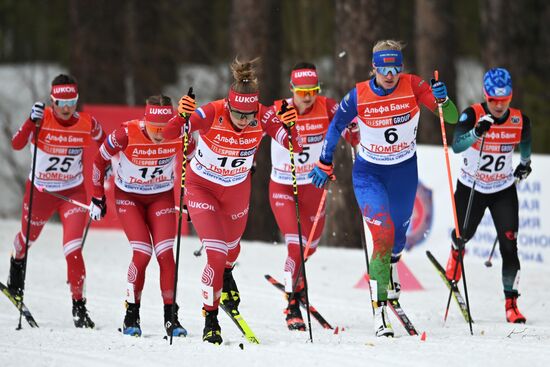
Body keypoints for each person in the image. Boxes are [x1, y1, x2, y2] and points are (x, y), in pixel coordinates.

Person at [308, 40, 459, 337]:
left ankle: (391, 267)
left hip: (403, 172)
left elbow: (450, 118)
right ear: (374, 68)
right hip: (369, 173)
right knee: (382, 235)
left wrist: (444, 100)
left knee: (399, 239)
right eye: (383, 69)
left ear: (400, 68)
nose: (390, 75)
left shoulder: (413, 86)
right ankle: (378, 310)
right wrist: (324, 161)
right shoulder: (359, 94)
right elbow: (336, 125)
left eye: (395, 68)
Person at [163, 57, 301, 345]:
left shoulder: (262, 116)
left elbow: (293, 145)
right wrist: (181, 115)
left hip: (236, 189)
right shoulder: (213, 112)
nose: (243, 121)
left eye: (248, 115)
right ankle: (210, 319)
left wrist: (291, 125)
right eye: (237, 114)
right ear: (228, 105)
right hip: (202, 188)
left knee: (232, 249)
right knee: (215, 251)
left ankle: (225, 277)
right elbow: (168, 133)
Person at [89, 94, 195, 337]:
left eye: (165, 128)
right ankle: (131, 315)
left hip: (161, 197)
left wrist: (190, 198)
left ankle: (171, 317)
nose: (160, 134)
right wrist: (97, 196)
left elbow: (194, 163)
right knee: (143, 252)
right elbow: (98, 160)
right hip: (130, 198)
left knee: (166, 254)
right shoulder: (125, 134)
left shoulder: (181, 134)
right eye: (154, 128)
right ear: (144, 121)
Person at [7, 74, 105, 328]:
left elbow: (105, 143)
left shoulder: (86, 123)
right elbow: (16, 144)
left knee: (72, 250)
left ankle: (79, 306)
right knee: (27, 240)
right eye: (60, 102)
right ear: (52, 101)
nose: (66, 108)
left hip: (72, 193)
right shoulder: (42, 121)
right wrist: (30, 121)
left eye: (71, 101)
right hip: (40, 192)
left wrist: (108, 166)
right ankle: (16, 264)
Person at [269, 62, 359, 331]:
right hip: (283, 186)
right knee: (296, 244)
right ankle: (292, 304)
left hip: (314, 185)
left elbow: (350, 129)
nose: (307, 97)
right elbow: (253, 130)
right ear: (292, 89)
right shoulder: (278, 110)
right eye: (302, 91)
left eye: (313, 91)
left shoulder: (328, 106)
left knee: (310, 246)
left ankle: (297, 280)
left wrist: (354, 132)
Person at [444, 67, 531, 323]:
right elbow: (456, 146)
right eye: (493, 99)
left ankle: (511, 303)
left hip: (502, 189)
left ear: (510, 97)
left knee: (509, 245)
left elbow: (525, 140)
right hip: (471, 187)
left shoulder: (519, 119)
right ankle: (455, 252)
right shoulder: (472, 114)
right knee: (464, 235)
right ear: (486, 95)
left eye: (504, 99)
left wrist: (525, 162)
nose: (499, 105)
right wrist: (476, 132)